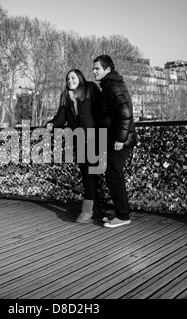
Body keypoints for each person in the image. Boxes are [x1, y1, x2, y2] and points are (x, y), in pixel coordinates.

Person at [46, 69, 102, 223]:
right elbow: (60, 117)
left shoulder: (90, 90)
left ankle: (87, 210)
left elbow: (100, 112)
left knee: (94, 173)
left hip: (94, 137)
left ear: (80, 78)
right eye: (67, 79)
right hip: (78, 139)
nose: (70, 81)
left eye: (73, 77)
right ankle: (94, 208)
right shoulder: (66, 96)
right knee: (87, 174)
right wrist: (51, 124)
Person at [92, 55, 137, 228]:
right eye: (94, 69)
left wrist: (120, 138)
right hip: (116, 138)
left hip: (119, 141)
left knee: (113, 176)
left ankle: (123, 216)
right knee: (113, 175)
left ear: (107, 70)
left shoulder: (111, 86)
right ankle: (121, 212)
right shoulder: (111, 84)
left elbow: (125, 112)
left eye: (97, 69)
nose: (94, 71)